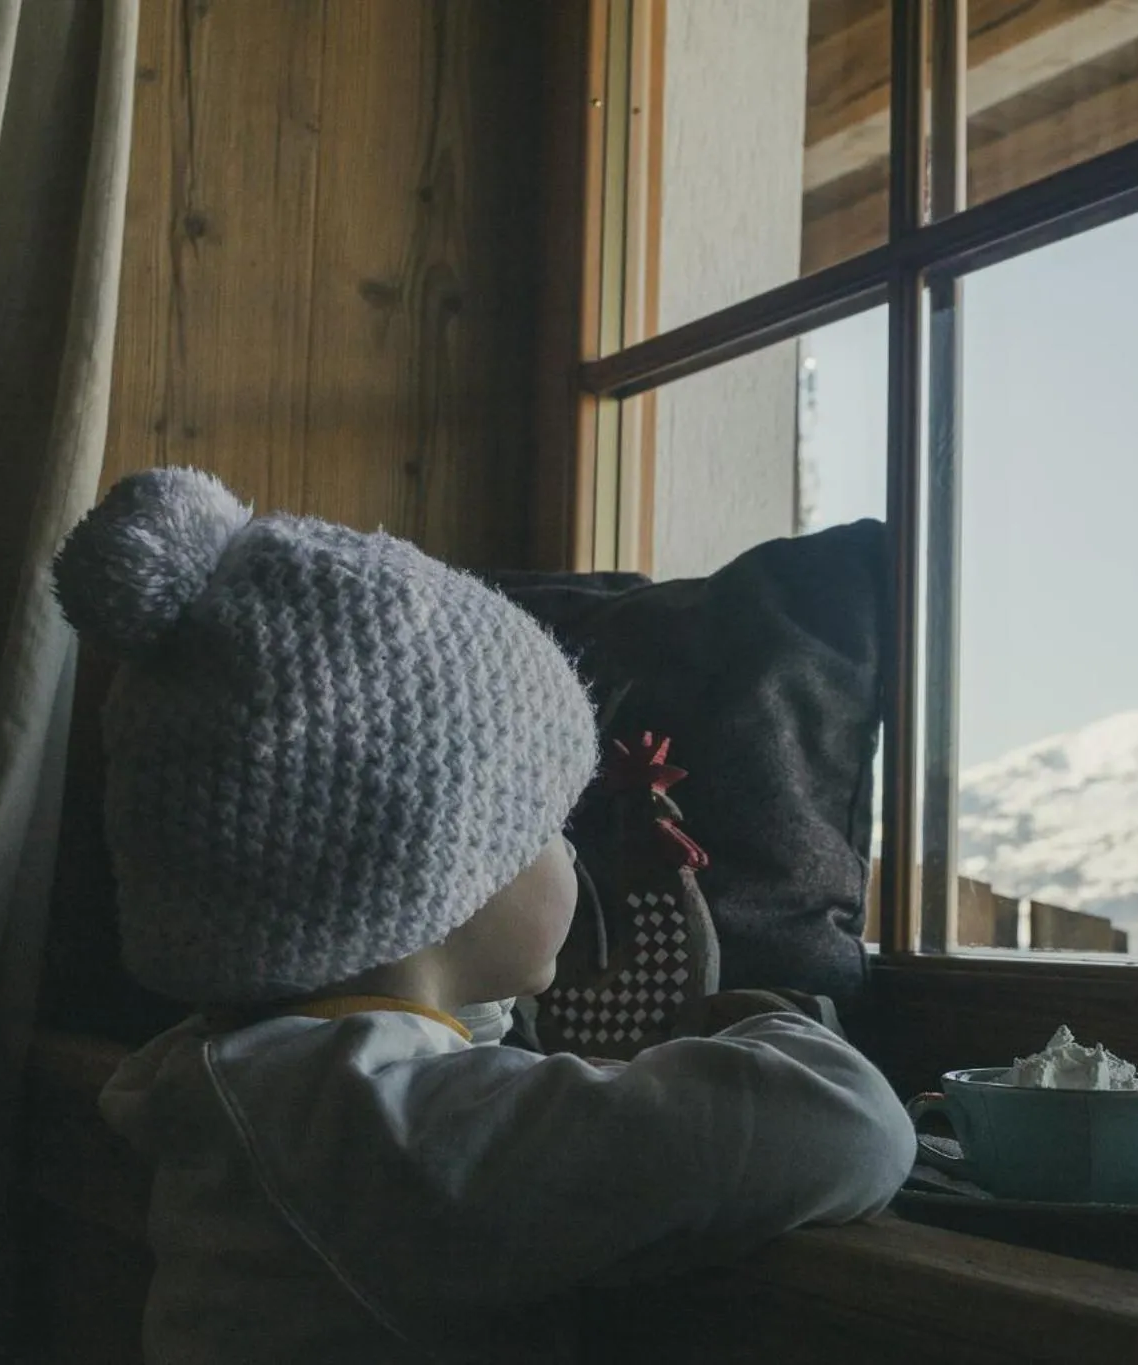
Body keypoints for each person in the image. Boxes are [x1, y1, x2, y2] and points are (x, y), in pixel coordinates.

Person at [51, 467, 916, 1364]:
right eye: (545, 824)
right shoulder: (399, 1130)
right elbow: (849, 1126)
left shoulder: (264, 1087)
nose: (572, 854)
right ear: (435, 873)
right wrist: (775, 1017)